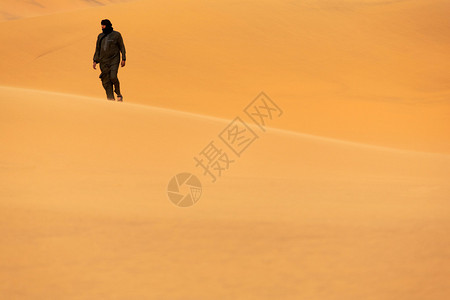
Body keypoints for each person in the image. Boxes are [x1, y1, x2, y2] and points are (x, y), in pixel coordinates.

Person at [93, 19, 126, 101]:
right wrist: (95, 60)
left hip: (114, 60)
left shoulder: (116, 35)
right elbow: (98, 49)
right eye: (101, 25)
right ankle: (110, 99)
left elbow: (122, 47)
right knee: (106, 81)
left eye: (103, 25)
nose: (102, 27)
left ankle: (118, 93)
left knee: (113, 77)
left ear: (108, 25)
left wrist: (123, 58)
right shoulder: (100, 36)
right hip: (103, 61)